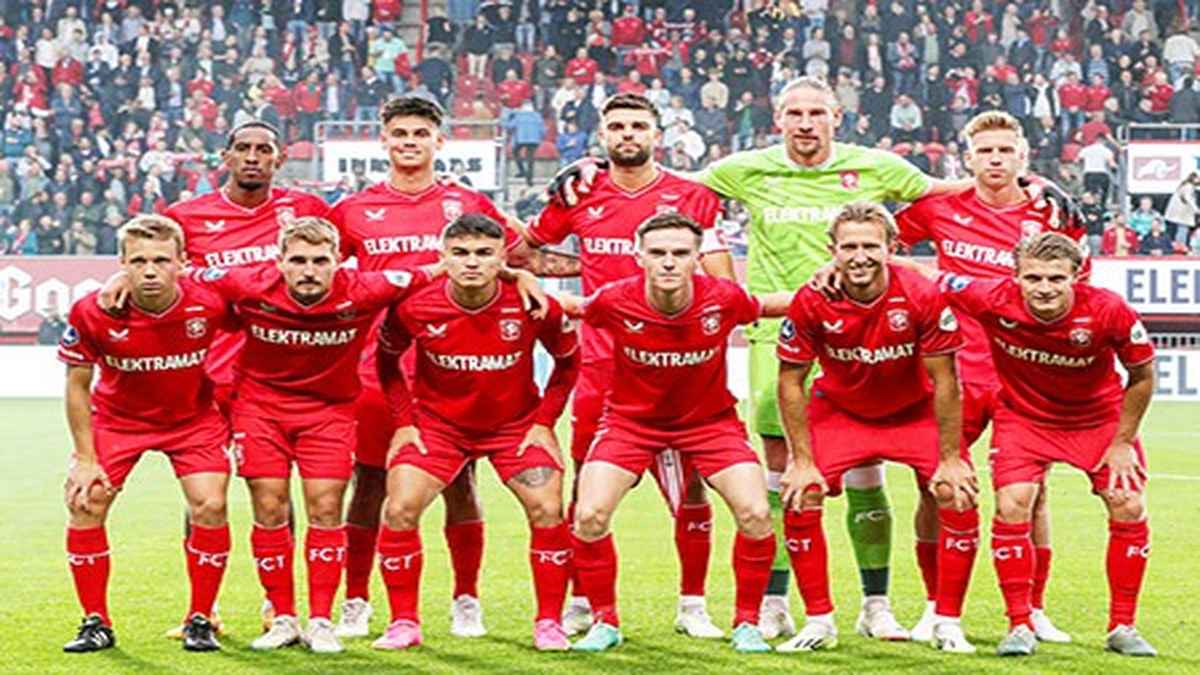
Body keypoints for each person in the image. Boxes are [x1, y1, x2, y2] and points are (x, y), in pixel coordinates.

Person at [547, 76, 998, 639]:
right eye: (795, 113)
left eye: (817, 113)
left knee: (866, 471)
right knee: (784, 473)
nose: (806, 123)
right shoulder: (746, 168)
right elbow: (655, 179)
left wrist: (1027, 184)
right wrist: (593, 167)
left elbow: (951, 189)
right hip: (776, 336)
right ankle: (774, 601)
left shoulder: (875, 165)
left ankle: (875, 604)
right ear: (777, 118)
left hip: (860, 334)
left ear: (837, 117)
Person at [518, 92, 735, 639]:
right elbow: (526, 250)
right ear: (603, 135)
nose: (628, 134)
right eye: (617, 126)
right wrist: (571, 267)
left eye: (638, 125)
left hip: (676, 374)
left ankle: (692, 606)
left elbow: (723, 283)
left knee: (689, 491)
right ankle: (583, 601)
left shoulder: (692, 196)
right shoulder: (580, 192)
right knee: (586, 492)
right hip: (601, 372)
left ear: (657, 134)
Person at [327, 97, 529, 640]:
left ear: (440, 141)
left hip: (453, 367)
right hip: (379, 367)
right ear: (383, 140)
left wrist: (526, 275)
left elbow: (513, 258)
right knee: (369, 484)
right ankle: (356, 600)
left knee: (461, 482)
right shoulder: (353, 209)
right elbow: (324, 274)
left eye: (420, 133)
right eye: (399, 133)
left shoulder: (467, 202)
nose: (409, 142)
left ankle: (466, 600)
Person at [904, 233, 1158, 658]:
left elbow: (1143, 375)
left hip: (1097, 419)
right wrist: (848, 266)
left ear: (1077, 276)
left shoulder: (1108, 309)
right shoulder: (991, 297)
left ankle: (1122, 626)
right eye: (1033, 278)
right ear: (1015, 277)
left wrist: (1123, 442)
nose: (1044, 288)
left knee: (1128, 504)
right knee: (1013, 504)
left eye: (1056, 278)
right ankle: (1019, 624)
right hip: (1025, 418)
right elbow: (926, 275)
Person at [193, 217, 436, 654]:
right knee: (269, 507)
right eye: (299, 260)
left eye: (320, 261)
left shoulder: (367, 288)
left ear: (338, 261)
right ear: (280, 262)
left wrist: (520, 275)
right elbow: (179, 274)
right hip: (260, 409)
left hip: (329, 411)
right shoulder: (247, 283)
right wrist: (118, 279)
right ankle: (284, 618)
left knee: (325, 508)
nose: (309, 271)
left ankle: (321, 620)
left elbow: (438, 270)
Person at [886, 111, 1080, 642]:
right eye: (985, 151)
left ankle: (1034, 609)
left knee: (1033, 493)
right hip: (954, 370)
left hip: (1025, 374)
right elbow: (882, 244)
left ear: (1023, 157)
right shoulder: (939, 208)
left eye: (1005, 150)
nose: (995, 159)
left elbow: (1074, 280)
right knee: (936, 487)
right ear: (967, 158)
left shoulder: (1048, 212)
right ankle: (935, 607)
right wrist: (919, 283)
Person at [565, 213, 792, 653]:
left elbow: (769, 304)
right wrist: (518, 279)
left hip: (710, 424)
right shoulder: (615, 299)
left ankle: (746, 623)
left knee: (756, 513)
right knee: (589, 514)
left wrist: (830, 284)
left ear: (696, 257)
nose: (669, 262)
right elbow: (571, 307)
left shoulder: (722, 297)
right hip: (630, 424)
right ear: (639, 256)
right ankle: (604, 622)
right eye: (658, 253)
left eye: (680, 253)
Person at [775, 202, 978, 654]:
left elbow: (947, 380)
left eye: (870, 246)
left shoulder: (921, 294)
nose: (860, 256)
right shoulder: (812, 298)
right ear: (832, 250)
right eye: (849, 247)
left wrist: (951, 458)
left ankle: (946, 620)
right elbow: (790, 381)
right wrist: (801, 461)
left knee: (957, 492)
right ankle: (820, 621)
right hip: (842, 412)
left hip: (913, 412)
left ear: (891, 247)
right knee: (801, 493)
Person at [154, 120, 331, 638]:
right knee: (204, 496)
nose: (253, 157)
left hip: (279, 376)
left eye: (264, 149)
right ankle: (202, 609)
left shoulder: (307, 211)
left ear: (279, 159)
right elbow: (156, 266)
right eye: (244, 149)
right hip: (209, 377)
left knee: (275, 494)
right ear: (226, 157)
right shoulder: (185, 217)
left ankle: (280, 608)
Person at [371, 214, 580, 651]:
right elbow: (387, 363)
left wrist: (544, 422)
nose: (471, 262)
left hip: (514, 426)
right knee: (400, 509)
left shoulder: (533, 303)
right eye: (461, 253)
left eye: (484, 253)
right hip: (438, 426)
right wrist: (404, 422)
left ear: (503, 257)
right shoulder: (414, 305)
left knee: (547, 508)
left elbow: (567, 363)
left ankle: (549, 623)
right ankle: (404, 622)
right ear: (443, 257)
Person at [59, 216, 233, 653]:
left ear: (182, 263)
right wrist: (85, 459)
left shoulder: (210, 302)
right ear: (122, 263)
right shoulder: (90, 310)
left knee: (211, 504)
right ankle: (95, 622)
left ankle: (200, 619)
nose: (150, 271)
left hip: (192, 421)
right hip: (118, 421)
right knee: (86, 501)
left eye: (161, 260)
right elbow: (77, 385)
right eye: (138, 262)